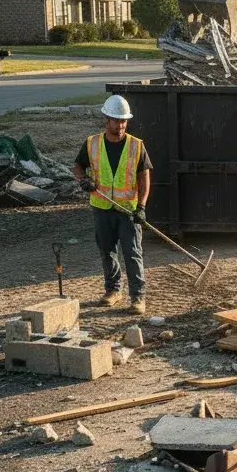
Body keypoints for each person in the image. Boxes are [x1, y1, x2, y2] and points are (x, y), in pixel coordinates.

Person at [72, 95, 153, 314]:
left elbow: (144, 178)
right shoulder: (92, 143)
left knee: (132, 253)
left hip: (127, 211)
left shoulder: (136, 146)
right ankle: (112, 291)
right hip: (102, 208)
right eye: (117, 121)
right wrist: (83, 180)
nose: (121, 125)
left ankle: (138, 297)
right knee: (107, 251)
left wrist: (142, 207)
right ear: (106, 120)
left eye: (124, 121)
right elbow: (77, 167)